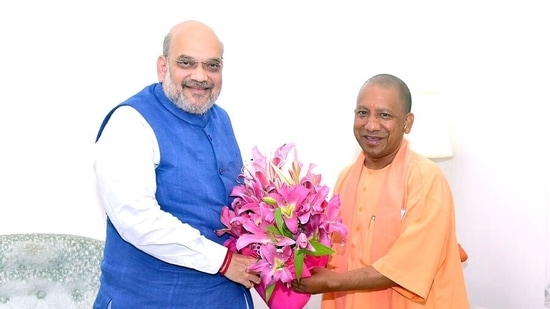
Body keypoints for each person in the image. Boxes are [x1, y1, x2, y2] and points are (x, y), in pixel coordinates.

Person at [93, 20, 260, 309]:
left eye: (212, 66)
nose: (200, 76)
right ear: (163, 67)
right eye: (186, 63)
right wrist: (224, 261)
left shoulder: (221, 119)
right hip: (147, 300)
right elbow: (137, 219)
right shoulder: (131, 122)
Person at [291, 73, 470, 308]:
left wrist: (333, 283)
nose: (371, 125)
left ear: (407, 123)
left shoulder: (424, 178)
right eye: (363, 113)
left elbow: (409, 264)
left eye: (384, 115)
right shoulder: (346, 177)